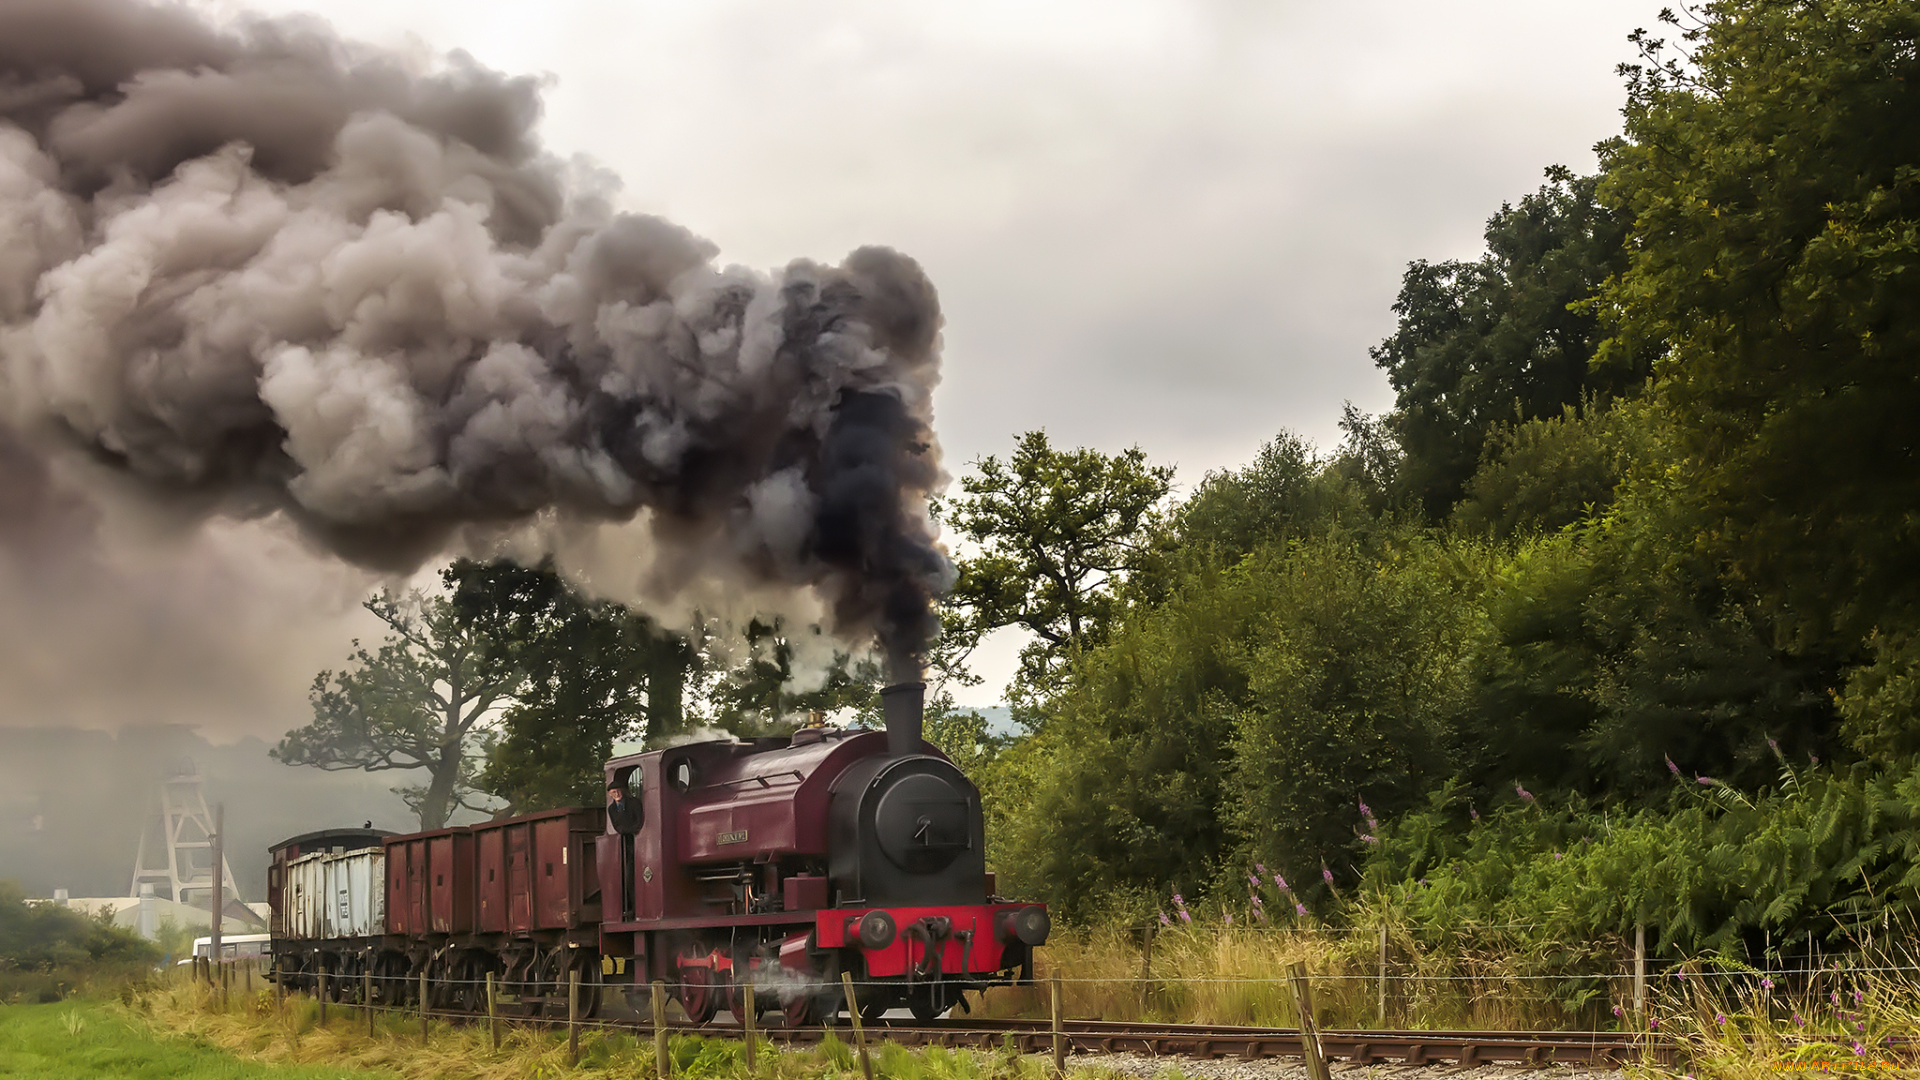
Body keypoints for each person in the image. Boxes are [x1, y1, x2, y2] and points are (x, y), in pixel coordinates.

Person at [608, 777, 642, 919]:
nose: (616, 794)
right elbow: (617, 827)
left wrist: (627, 830)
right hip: (624, 845)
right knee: (625, 877)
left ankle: (637, 907)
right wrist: (625, 830)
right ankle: (629, 907)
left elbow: (639, 822)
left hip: (637, 842)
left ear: (622, 791)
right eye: (613, 792)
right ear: (610, 794)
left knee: (634, 876)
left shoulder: (634, 803)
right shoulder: (611, 809)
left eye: (618, 791)